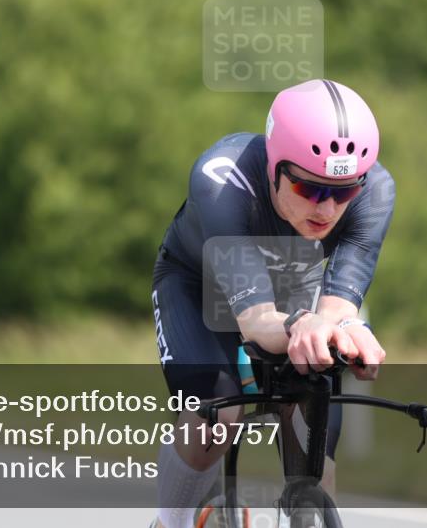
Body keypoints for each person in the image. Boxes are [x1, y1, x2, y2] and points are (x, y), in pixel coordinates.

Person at [151, 79, 395, 528]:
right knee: (217, 412)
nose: (327, 208)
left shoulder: (376, 190)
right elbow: (258, 321)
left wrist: (346, 331)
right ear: (273, 167)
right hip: (200, 287)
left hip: (290, 290)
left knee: (313, 425)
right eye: (309, 190)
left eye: (343, 192)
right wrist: (305, 323)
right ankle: (170, 521)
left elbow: (338, 306)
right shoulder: (222, 179)